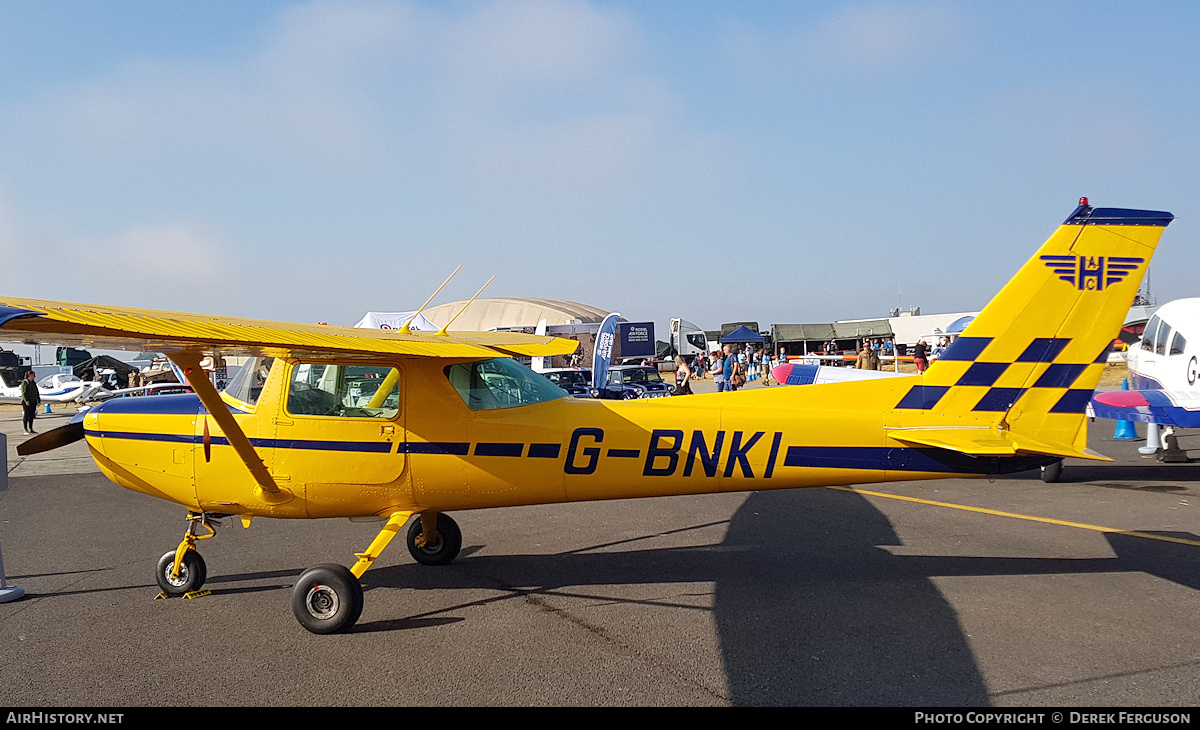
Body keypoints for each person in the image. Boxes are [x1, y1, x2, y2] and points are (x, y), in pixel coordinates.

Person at [20, 370, 40, 435]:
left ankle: (31, 429)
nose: (34, 376)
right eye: (33, 375)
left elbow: (36, 392)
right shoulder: (25, 383)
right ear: (30, 375)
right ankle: (25, 429)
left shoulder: (33, 383)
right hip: (27, 402)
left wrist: (38, 400)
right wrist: (26, 400)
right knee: (26, 414)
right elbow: (24, 393)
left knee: (32, 415)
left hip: (33, 401)